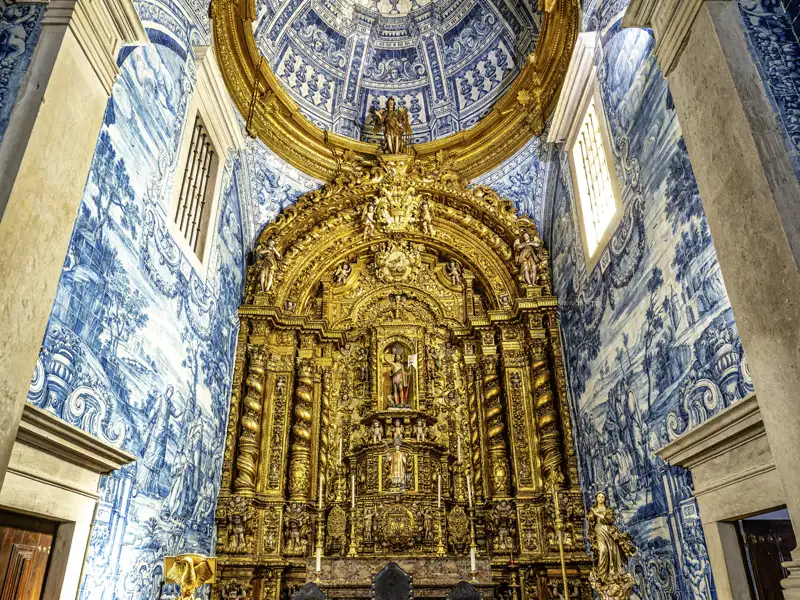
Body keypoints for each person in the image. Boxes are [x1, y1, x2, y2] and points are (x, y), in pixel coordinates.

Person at [587, 492, 636, 583]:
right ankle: (601, 575)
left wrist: (597, 514)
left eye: (602, 497)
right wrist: (592, 514)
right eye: (599, 497)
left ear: (605, 499)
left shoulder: (608, 509)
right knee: (603, 550)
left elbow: (609, 520)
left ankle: (613, 574)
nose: (601, 498)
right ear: (596, 498)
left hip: (609, 532)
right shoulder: (593, 509)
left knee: (613, 551)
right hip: (599, 531)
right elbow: (590, 521)